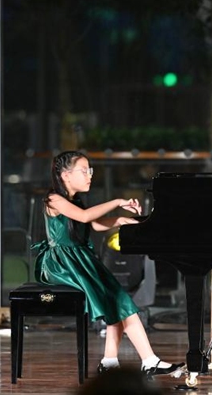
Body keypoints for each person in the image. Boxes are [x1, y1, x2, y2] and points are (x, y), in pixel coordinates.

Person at [33, 150, 183, 377]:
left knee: (116, 299)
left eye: (90, 171)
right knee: (116, 299)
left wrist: (121, 220)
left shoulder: (74, 200)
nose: (89, 175)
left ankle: (113, 361)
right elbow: (85, 217)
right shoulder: (54, 199)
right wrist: (117, 201)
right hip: (61, 264)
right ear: (65, 175)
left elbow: (94, 225)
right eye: (84, 171)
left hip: (78, 259)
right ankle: (147, 361)